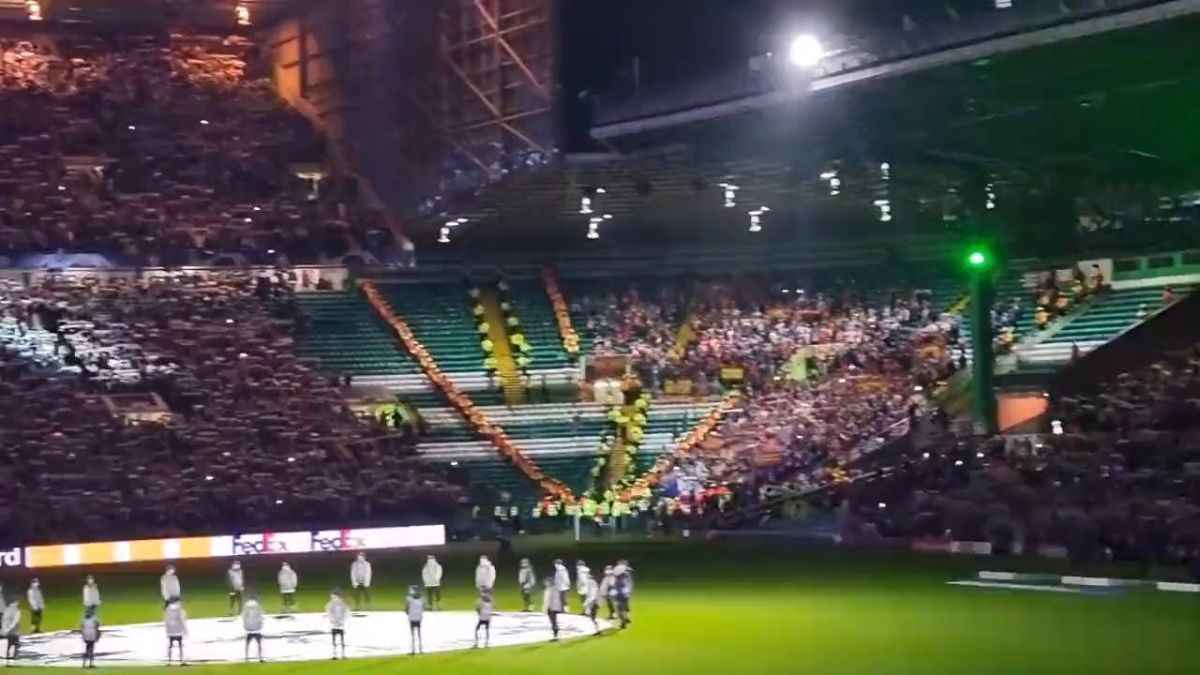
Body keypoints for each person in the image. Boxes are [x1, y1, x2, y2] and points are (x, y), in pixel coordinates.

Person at [242, 591, 265, 663]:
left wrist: (245, 625)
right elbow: (259, 615)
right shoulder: (257, 605)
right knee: (259, 643)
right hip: (256, 629)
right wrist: (260, 624)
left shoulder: (246, 604)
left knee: (247, 643)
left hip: (249, 628)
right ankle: (260, 657)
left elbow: (244, 615)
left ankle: (246, 657)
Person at [325, 589, 349, 660]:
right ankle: (336, 654)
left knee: (340, 640)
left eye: (333, 596)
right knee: (335, 640)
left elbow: (345, 613)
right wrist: (333, 620)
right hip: (335, 624)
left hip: (339, 625)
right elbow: (328, 611)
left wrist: (342, 620)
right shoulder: (333, 604)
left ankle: (342, 654)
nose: (332, 598)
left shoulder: (341, 604)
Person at [164, 598, 188, 666]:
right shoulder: (178, 610)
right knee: (179, 646)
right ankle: (181, 661)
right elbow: (181, 619)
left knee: (171, 646)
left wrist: (168, 631)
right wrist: (184, 630)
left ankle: (169, 661)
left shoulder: (168, 610)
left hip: (172, 631)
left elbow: (167, 621)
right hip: (177, 630)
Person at [404, 586, 424, 655]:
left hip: (412, 618)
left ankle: (413, 650)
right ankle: (420, 649)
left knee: (412, 634)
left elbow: (406, 609)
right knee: (419, 633)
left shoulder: (409, 599)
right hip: (419, 617)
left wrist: (408, 613)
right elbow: (423, 608)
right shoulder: (422, 599)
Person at [2, 597, 20, 664]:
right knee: (15, 643)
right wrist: (10, 627)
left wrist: (5, 628)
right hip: (13, 629)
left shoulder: (7, 609)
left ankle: (8, 654)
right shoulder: (16, 610)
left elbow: (4, 619)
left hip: (8, 629)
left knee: (9, 643)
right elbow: (15, 620)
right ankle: (14, 656)